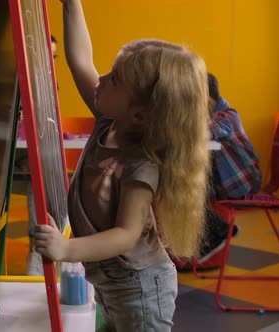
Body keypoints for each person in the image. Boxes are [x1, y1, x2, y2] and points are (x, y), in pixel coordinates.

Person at [34, 1, 211, 330]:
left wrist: (66, 248)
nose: (100, 77)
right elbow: (80, 61)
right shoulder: (108, 120)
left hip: (140, 292)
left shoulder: (140, 163)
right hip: (112, 284)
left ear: (140, 114)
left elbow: (126, 234)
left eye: (114, 79)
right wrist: (72, 5)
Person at [197, 72, 261, 263]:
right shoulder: (216, 116)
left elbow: (206, 135)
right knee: (189, 185)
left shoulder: (228, 116)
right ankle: (218, 230)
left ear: (208, 102)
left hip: (244, 185)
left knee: (191, 189)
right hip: (229, 184)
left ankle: (219, 231)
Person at [20, 34, 58, 276]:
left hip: (28, 164)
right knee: (39, 177)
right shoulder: (11, 84)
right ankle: (38, 249)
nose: (51, 64)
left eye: (54, 58)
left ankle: (40, 248)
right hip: (5, 167)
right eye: (47, 57)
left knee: (41, 175)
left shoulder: (46, 87)